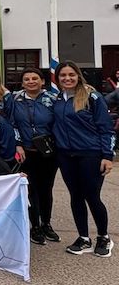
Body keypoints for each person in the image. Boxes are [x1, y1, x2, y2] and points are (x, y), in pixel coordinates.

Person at [52, 61, 114, 257]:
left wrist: (107, 155)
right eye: (63, 76)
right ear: (57, 78)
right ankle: (84, 238)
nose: (67, 78)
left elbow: (106, 127)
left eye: (71, 75)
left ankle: (104, 237)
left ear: (78, 75)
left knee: (92, 196)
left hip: (90, 154)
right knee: (76, 196)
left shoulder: (91, 96)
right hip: (66, 155)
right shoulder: (57, 99)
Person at [12, 68, 59, 245]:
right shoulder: (15, 99)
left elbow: (60, 124)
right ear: (22, 83)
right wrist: (18, 144)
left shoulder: (53, 99)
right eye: (27, 79)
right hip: (26, 153)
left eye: (35, 78)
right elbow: (12, 123)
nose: (31, 81)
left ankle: (46, 223)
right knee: (30, 189)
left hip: (48, 153)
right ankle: (35, 226)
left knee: (46, 189)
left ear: (42, 81)